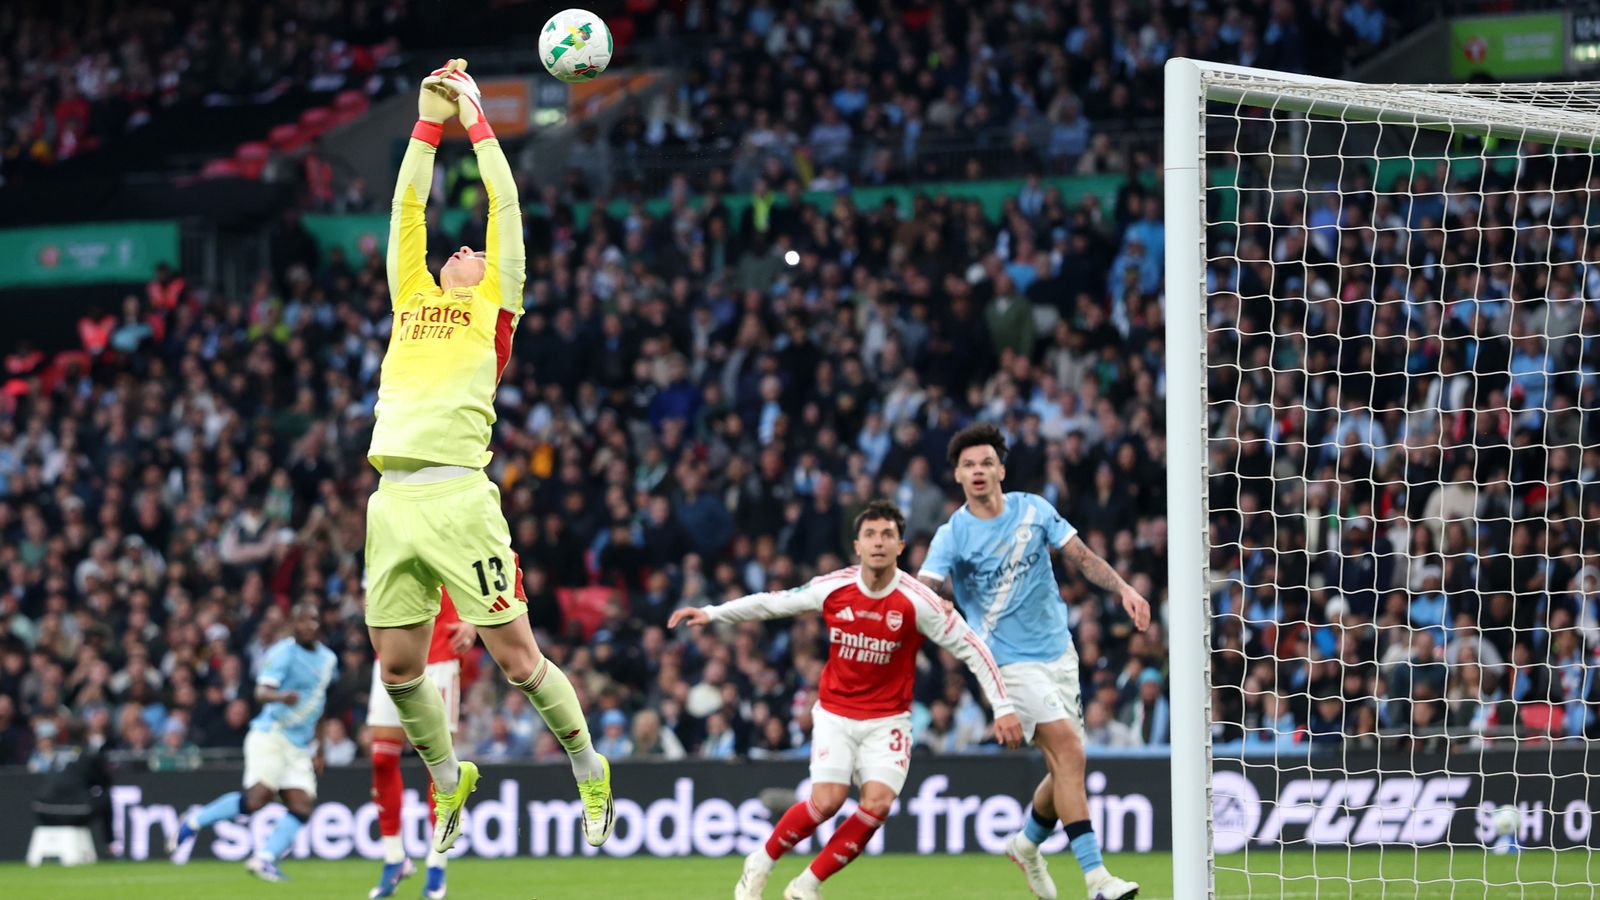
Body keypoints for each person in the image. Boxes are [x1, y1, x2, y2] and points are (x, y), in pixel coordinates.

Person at [360, 58, 612, 866]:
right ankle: (448, 777)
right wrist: (425, 122)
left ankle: (587, 765)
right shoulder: (412, 297)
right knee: (399, 670)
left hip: (459, 497)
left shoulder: (495, 306)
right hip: (390, 499)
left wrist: (475, 117)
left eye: (472, 250)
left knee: (517, 661)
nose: (464, 246)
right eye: (455, 247)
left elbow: (503, 203)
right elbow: (407, 203)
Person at [670, 499, 1021, 900]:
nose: (878, 542)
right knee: (827, 802)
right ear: (857, 545)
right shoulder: (834, 586)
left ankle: (806, 885)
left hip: (888, 719)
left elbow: (973, 647)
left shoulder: (918, 601)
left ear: (900, 546)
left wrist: (1004, 705)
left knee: (878, 804)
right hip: (836, 713)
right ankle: (762, 862)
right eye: (870, 534)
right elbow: (773, 601)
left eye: (887, 535)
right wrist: (713, 613)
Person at [918, 423, 1150, 900]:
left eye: (986, 462)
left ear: (1001, 469)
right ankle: (1096, 879)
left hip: (1058, 654)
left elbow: (1082, 558)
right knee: (1069, 751)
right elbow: (925, 588)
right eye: (968, 465)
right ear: (958, 476)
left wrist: (1124, 587)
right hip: (1007, 663)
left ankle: (1026, 845)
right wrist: (934, 602)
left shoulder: (1034, 509)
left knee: (1067, 766)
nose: (978, 471)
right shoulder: (952, 535)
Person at [168, 603, 337, 882]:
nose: (309, 625)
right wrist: (282, 697)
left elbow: (320, 702)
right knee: (258, 798)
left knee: (303, 804)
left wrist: (320, 747)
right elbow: (261, 692)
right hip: (270, 734)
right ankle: (194, 821)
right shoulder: (282, 652)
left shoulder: (328, 659)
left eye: (314, 620)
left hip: (298, 744)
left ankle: (265, 859)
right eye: (304, 620)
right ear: (294, 624)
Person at [368, 589, 476, 899]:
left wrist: (473, 622)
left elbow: (484, 569)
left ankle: (437, 864)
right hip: (391, 653)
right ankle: (394, 858)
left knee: (439, 768)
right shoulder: (381, 540)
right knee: (381, 759)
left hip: (440, 655)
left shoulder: (455, 538)